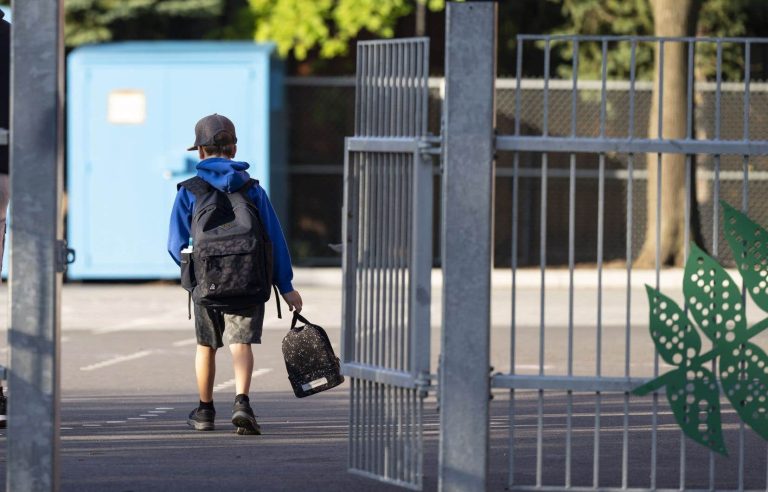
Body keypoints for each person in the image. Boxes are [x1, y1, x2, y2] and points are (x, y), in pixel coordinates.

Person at [168, 113, 302, 435]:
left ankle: (204, 410)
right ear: (234, 148)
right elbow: (273, 240)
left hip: (206, 283)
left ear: (200, 151)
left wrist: (193, 273)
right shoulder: (252, 189)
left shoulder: (190, 190)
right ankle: (242, 403)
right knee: (241, 344)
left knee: (206, 346)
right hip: (248, 280)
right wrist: (286, 286)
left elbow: (175, 243)